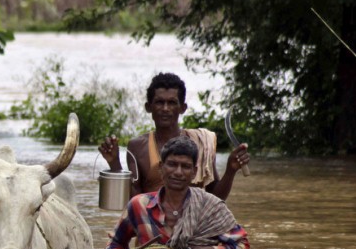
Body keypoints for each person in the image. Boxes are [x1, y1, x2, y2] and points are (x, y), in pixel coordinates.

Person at [96, 136, 250, 249]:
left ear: (194, 171)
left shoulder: (209, 206)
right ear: (161, 168)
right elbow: (118, 242)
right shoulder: (139, 206)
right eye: (172, 164)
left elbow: (241, 245)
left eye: (185, 166)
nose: (178, 172)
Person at [98, 72, 249, 200]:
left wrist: (230, 170)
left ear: (182, 108)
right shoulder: (137, 146)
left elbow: (216, 198)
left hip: (194, 224)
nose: (165, 109)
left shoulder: (201, 142)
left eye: (171, 103)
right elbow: (134, 201)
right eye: (159, 102)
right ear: (148, 107)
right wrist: (114, 163)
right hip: (154, 226)